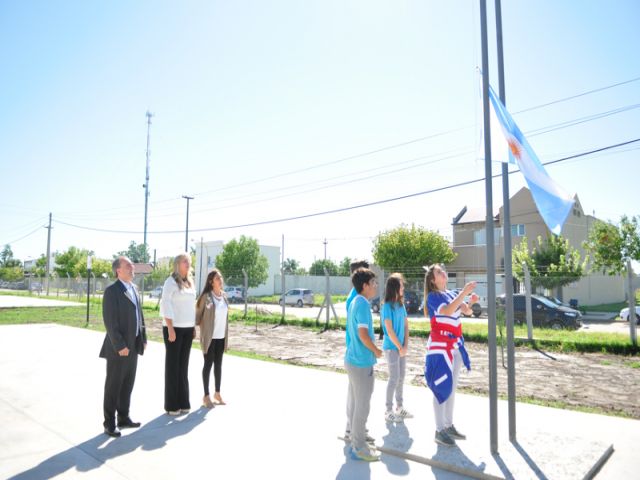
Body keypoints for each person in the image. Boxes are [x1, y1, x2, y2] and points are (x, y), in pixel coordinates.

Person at [424, 264, 477, 447]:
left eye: (443, 270)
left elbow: (466, 311)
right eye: (439, 272)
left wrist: (471, 303)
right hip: (440, 348)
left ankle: (448, 425)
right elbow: (446, 310)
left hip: (455, 346)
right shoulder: (432, 297)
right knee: (441, 387)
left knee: (451, 389)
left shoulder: (452, 293)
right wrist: (464, 293)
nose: (443, 273)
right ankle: (439, 430)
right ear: (433, 280)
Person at [99, 256, 147, 437]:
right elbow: (110, 321)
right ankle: (109, 423)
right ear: (118, 270)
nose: (132, 267)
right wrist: (119, 345)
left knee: (127, 383)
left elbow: (139, 316)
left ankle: (124, 417)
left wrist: (143, 338)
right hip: (118, 348)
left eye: (132, 265)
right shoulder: (112, 291)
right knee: (113, 385)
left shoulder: (134, 289)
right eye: (128, 265)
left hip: (133, 346)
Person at [344, 267, 382, 462]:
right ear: (365, 286)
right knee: (362, 406)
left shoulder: (355, 302)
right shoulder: (362, 305)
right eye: (374, 283)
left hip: (353, 359)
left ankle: (353, 440)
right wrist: (376, 351)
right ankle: (359, 447)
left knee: (354, 403)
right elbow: (363, 335)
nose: (376, 286)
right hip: (361, 362)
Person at [160, 253, 196, 415]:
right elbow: (166, 304)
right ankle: (172, 405)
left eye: (189, 261)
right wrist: (170, 328)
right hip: (174, 328)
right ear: (177, 264)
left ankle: (183, 402)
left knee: (183, 366)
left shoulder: (190, 282)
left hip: (188, 328)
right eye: (184, 261)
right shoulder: (170, 282)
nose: (188, 264)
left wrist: (193, 326)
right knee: (173, 366)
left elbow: (191, 306)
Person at [196, 269, 229, 408]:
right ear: (211, 281)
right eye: (217, 278)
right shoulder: (206, 296)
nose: (220, 280)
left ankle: (217, 393)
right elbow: (198, 317)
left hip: (221, 337)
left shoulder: (224, 296)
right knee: (208, 365)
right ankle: (206, 396)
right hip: (209, 337)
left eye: (220, 277)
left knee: (218, 366)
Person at [381, 273, 412, 422]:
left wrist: (405, 345)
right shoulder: (386, 307)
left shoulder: (401, 305)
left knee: (401, 377)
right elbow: (389, 330)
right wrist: (400, 347)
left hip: (401, 348)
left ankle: (399, 408)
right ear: (394, 288)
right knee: (394, 378)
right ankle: (388, 410)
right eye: (401, 285)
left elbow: (406, 326)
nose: (403, 287)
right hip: (391, 348)